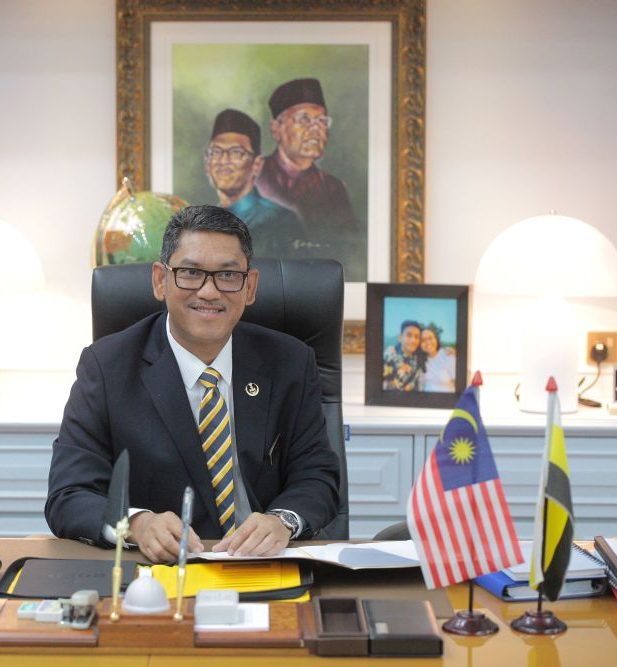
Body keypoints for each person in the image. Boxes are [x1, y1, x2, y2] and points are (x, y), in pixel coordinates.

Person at [46, 205, 340, 564]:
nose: (210, 292)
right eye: (190, 273)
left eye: (228, 275)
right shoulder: (107, 367)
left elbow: (318, 476)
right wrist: (137, 524)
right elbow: (68, 495)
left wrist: (283, 521)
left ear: (250, 287)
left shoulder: (290, 362)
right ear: (160, 280)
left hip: (264, 564)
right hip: (160, 572)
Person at [256, 78, 358, 253]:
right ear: (276, 128)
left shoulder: (334, 189)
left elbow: (347, 250)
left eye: (322, 121)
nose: (315, 129)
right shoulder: (255, 176)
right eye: (304, 119)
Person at [204, 109, 307, 257]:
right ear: (207, 165)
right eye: (216, 152)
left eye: (236, 152)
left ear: (257, 165)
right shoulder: (202, 223)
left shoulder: (280, 221)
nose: (224, 161)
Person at [383, 320, 422, 392]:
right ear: (400, 337)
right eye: (409, 335)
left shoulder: (419, 356)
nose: (413, 340)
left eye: (417, 337)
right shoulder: (389, 356)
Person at [418, 324, 456, 393]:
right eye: (423, 340)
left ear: (436, 339)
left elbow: (459, 387)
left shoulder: (448, 356)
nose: (428, 342)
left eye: (430, 338)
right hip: (426, 398)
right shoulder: (420, 359)